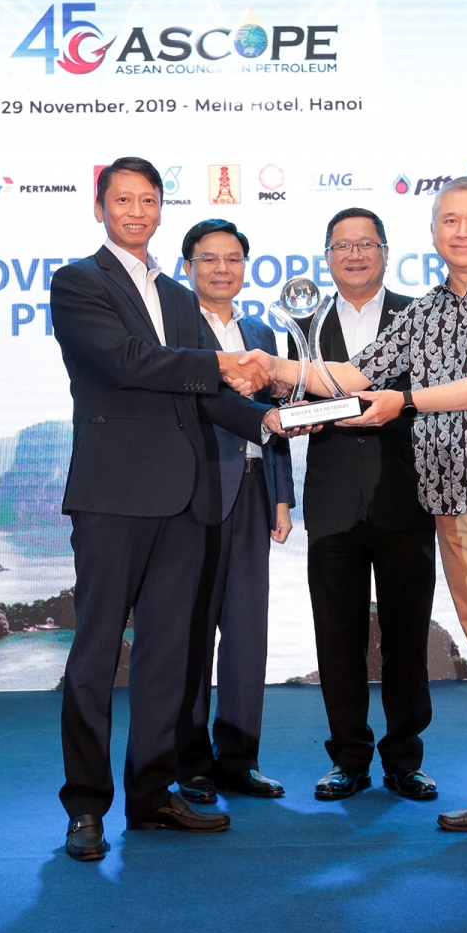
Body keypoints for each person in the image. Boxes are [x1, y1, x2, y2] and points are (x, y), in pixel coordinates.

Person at [237, 175, 467, 862]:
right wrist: (276, 367)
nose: (462, 232)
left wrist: (406, 401)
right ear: (433, 234)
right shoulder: (425, 312)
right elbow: (355, 376)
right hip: (453, 504)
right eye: (450, 221)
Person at [48, 157, 285, 862]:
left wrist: (269, 423)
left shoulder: (179, 298)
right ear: (100, 207)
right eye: (123, 199)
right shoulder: (78, 283)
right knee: (96, 655)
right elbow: (127, 361)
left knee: (167, 656)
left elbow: (208, 396)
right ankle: (85, 807)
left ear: (159, 208)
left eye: (148, 200)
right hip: (113, 496)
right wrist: (220, 366)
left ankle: (151, 796)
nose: (137, 211)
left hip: (183, 499)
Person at [288, 208, 438, 803]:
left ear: (385, 252)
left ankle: (405, 759)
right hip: (331, 504)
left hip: (405, 497)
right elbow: (289, 399)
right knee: (337, 637)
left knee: (407, 636)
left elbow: (434, 398)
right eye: (342, 246)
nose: (354, 255)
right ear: (327, 257)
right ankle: (348, 757)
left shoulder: (419, 316)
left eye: (365, 244)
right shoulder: (302, 323)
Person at [175, 219, 296, 804]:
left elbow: (276, 420)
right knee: (192, 631)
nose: (222, 268)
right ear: (188, 267)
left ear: (245, 267)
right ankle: (192, 764)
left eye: (232, 258)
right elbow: (196, 404)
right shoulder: (176, 328)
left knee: (248, 633)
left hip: (252, 492)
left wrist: (281, 494)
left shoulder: (260, 333)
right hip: (194, 493)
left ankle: (240, 760)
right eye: (209, 258)